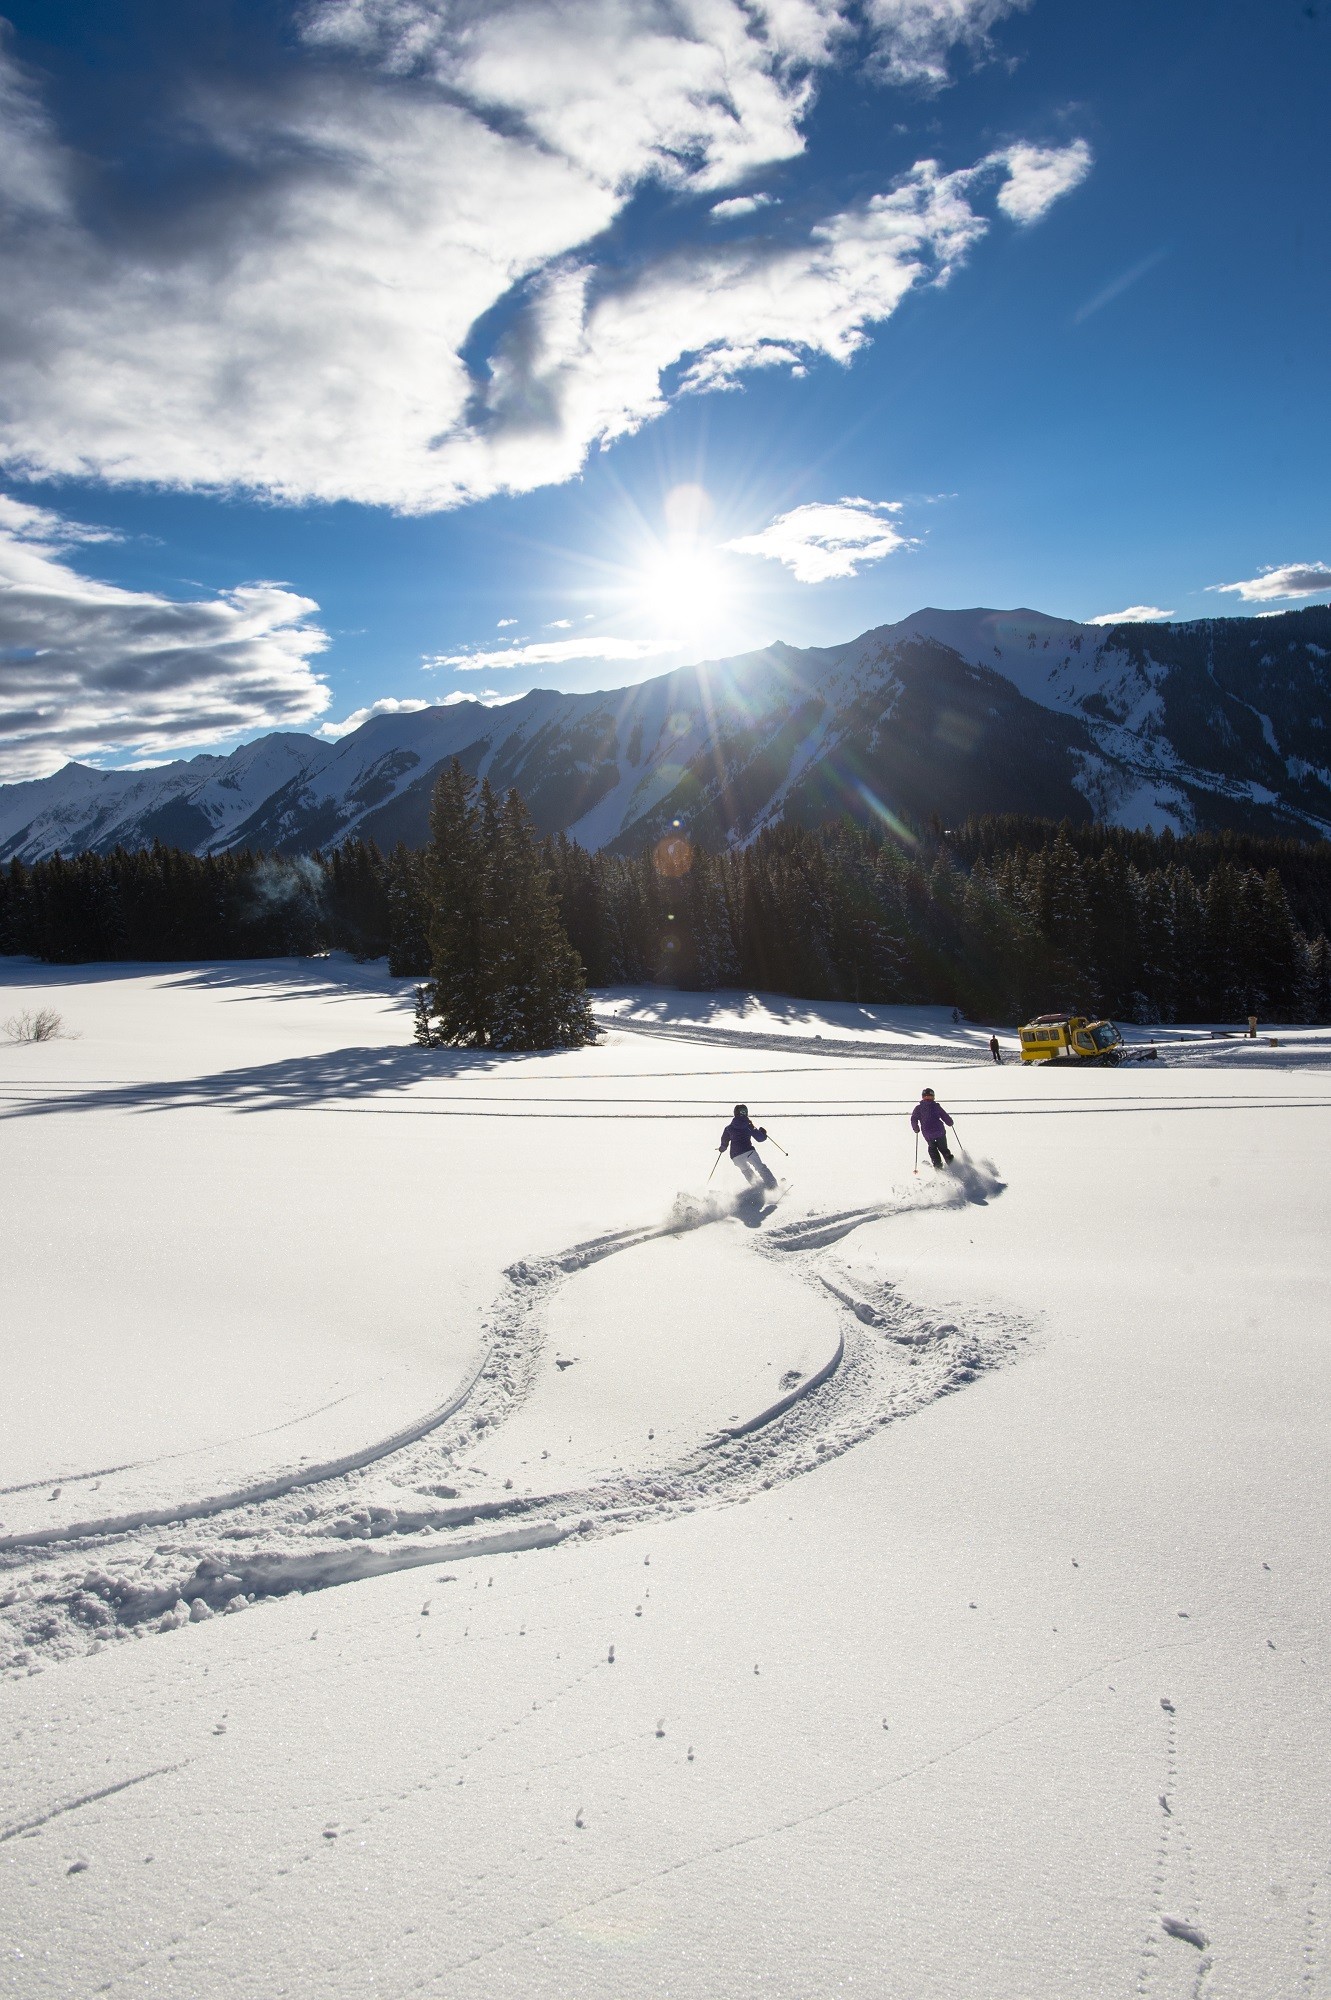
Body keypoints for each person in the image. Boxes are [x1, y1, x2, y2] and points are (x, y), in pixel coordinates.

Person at [717, 1103, 778, 1191]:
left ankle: (758, 1188)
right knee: (760, 1167)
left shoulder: (728, 1128)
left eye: (745, 1111)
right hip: (748, 1151)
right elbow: (760, 1138)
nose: (744, 1113)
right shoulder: (748, 1126)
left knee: (746, 1171)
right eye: (743, 1111)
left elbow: (724, 1142)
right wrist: (763, 1133)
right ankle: (773, 1187)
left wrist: (722, 1148)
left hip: (735, 1156)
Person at [910, 1086, 955, 1169]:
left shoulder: (919, 1108)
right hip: (939, 1132)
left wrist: (915, 1127)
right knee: (944, 1149)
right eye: (927, 1097)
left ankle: (938, 1166)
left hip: (928, 1133)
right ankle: (953, 1165)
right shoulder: (936, 1106)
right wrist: (950, 1122)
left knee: (932, 1149)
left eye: (929, 1097)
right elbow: (944, 1115)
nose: (928, 1098)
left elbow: (913, 1118)